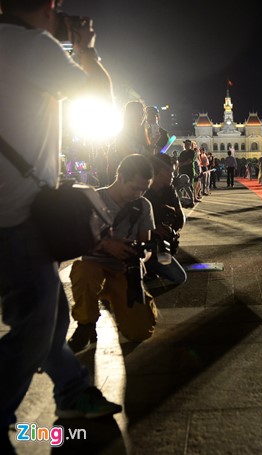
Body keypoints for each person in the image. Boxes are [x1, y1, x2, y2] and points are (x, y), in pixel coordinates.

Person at [0, 1, 122, 448]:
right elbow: (98, 95)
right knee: (34, 328)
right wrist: (86, 49)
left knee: (50, 317)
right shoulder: (34, 45)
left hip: (11, 209)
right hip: (19, 212)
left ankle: (71, 392)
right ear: (48, 8)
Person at [67, 155, 158, 352]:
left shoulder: (143, 205)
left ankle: (118, 300)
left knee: (140, 332)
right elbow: (76, 243)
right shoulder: (94, 200)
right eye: (135, 188)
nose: (139, 193)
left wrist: (140, 258)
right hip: (94, 264)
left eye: (144, 189)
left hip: (124, 268)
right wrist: (107, 245)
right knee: (84, 273)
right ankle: (86, 324)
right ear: (120, 177)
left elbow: (146, 246)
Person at [144, 154, 187, 287]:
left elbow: (181, 219)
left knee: (179, 277)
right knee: (178, 276)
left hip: (162, 244)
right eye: (169, 171)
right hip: (142, 242)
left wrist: (171, 225)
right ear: (158, 172)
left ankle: (152, 266)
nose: (173, 175)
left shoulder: (170, 190)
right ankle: (146, 264)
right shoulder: (143, 192)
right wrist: (154, 228)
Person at [177, 139, 197, 205]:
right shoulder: (182, 153)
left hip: (189, 171)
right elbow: (179, 161)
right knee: (181, 186)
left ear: (190, 145)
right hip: (182, 171)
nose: (185, 145)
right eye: (185, 144)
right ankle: (184, 200)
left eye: (187, 144)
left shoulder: (192, 152)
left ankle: (191, 200)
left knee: (189, 186)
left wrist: (181, 164)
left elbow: (189, 161)